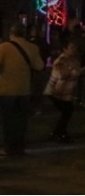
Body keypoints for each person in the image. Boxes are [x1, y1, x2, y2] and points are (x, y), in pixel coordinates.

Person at [0, 23, 46, 156]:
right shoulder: (32, 48)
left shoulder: (3, 48)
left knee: (9, 120)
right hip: (24, 89)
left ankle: (10, 147)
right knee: (21, 120)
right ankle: (20, 147)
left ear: (11, 34)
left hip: (6, 90)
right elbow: (39, 66)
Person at [44, 40, 83, 143]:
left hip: (66, 91)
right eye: (71, 47)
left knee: (67, 111)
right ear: (65, 49)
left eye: (74, 47)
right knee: (67, 111)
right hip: (57, 91)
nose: (74, 50)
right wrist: (76, 72)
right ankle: (59, 133)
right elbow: (63, 75)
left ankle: (60, 132)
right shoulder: (61, 61)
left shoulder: (74, 60)